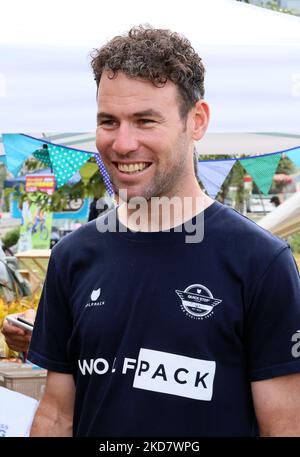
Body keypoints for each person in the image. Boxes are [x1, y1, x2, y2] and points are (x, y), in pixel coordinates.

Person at [26, 26, 300, 437]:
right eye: (108, 121)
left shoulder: (260, 262)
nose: (122, 143)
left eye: (145, 121)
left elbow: (285, 427)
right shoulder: (74, 256)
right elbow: (57, 414)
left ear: (197, 121)